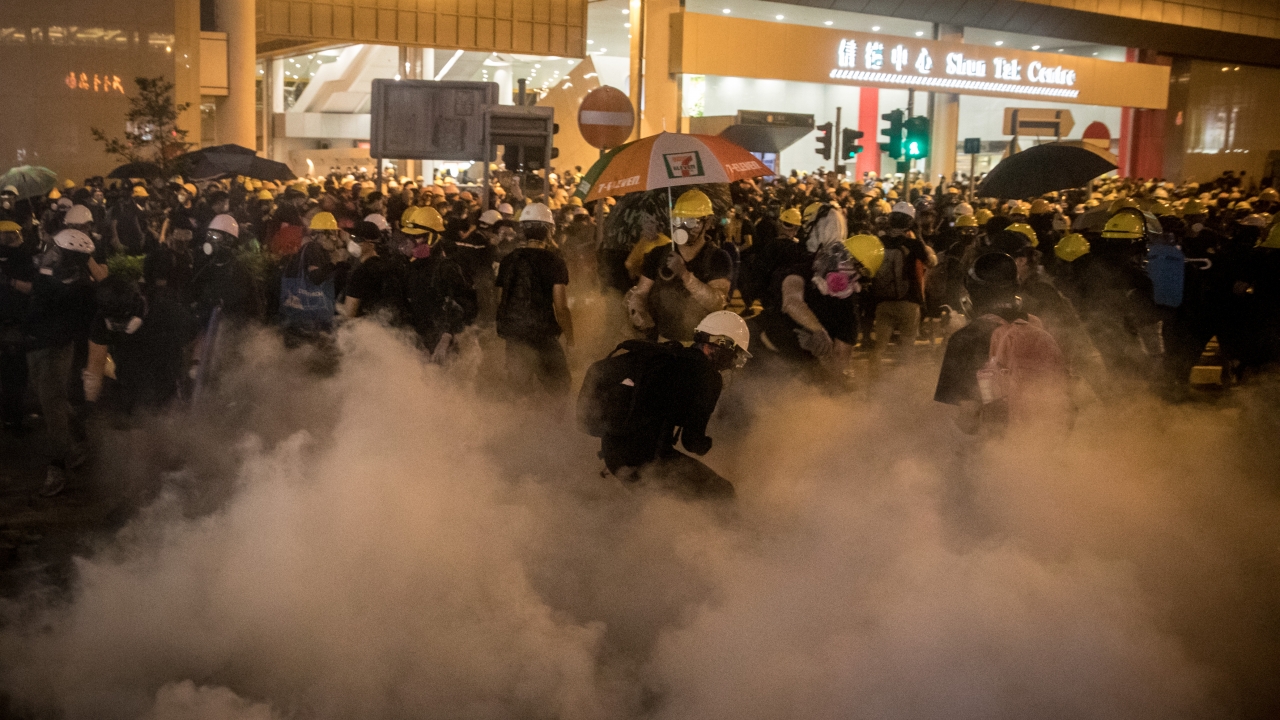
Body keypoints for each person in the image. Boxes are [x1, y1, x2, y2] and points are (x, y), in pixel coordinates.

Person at [584, 310, 748, 499]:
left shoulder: (667, 357)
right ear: (718, 345)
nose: (732, 364)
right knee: (722, 492)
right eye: (733, 355)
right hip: (646, 461)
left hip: (612, 453)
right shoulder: (708, 377)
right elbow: (692, 443)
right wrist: (710, 444)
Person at [934, 253, 1071, 436]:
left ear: (972, 293)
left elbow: (967, 421)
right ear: (1016, 288)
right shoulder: (1039, 327)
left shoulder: (966, 338)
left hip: (993, 450)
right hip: (1045, 441)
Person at [25, 229, 100, 496]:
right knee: (50, 397)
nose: (50, 254)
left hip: (56, 349)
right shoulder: (52, 277)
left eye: (56, 251)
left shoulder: (81, 290)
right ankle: (79, 438)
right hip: (35, 344)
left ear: (69, 258)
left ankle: (58, 466)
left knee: (51, 404)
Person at [626, 190, 731, 342]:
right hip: (665, 341)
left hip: (702, 345)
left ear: (708, 223)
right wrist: (638, 311)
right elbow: (640, 292)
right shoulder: (658, 254)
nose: (684, 227)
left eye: (692, 222)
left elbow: (717, 303)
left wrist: (684, 275)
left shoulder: (718, 258)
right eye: (679, 220)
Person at [82, 276, 198, 413]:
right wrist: (89, 404)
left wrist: (194, 367)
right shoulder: (101, 321)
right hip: (128, 387)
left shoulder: (169, 312)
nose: (120, 326)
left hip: (167, 385)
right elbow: (95, 365)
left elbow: (196, 337)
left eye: (124, 319)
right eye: (115, 321)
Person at [495, 203, 574, 396]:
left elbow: (499, 299)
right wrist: (571, 339)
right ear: (550, 230)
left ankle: (522, 425)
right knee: (560, 389)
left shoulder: (509, 259)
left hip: (514, 336)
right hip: (543, 337)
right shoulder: (554, 261)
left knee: (519, 392)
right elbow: (561, 308)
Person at [404, 207, 477, 361]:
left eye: (417, 237)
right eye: (410, 237)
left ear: (432, 238)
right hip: (419, 343)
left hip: (442, 345)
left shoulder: (446, 268)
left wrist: (446, 338)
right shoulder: (413, 267)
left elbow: (466, 305)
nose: (412, 242)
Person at [0, 220, 34, 434]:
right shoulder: (24, 257)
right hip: (14, 324)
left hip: (9, 322)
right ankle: (13, 421)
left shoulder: (22, 256)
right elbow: (32, 288)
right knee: (15, 375)